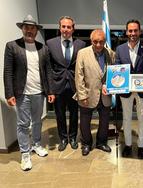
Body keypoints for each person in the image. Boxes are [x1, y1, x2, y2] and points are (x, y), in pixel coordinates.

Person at [4, 15, 55, 171]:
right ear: (22, 28)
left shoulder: (43, 48)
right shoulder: (12, 46)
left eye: (32, 28)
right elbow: (8, 71)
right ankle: (25, 154)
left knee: (38, 121)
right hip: (22, 93)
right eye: (26, 27)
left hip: (39, 92)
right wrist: (9, 93)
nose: (29, 30)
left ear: (36, 30)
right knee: (23, 124)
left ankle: (37, 144)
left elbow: (48, 71)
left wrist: (50, 91)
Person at [115, 19, 143, 159]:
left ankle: (141, 145)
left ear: (140, 31)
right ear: (126, 32)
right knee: (126, 119)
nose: (133, 33)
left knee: (142, 118)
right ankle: (127, 145)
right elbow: (117, 70)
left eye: (135, 30)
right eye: (130, 30)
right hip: (125, 91)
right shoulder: (120, 49)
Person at [47, 16, 86, 151]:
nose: (66, 29)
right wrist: (50, 89)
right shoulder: (50, 43)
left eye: (69, 27)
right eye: (63, 26)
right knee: (60, 114)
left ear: (73, 29)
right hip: (58, 85)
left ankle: (73, 137)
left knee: (75, 113)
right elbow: (49, 67)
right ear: (59, 28)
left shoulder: (81, 44)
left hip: (75, 85)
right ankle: (63, 138)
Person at [74, 29, 115, 156]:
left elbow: (113, 74)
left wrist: (109, 85)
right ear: (91, 41)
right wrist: (82, 95)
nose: (98, 45)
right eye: (95, 42)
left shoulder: (111, 53)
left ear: (105, 41)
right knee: (85, 122)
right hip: (87, 94)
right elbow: (78, 75)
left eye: (101, 42)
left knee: (104, 121)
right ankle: (86, 144)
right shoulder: (82, 53)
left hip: (105, 94)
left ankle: (101, 142)